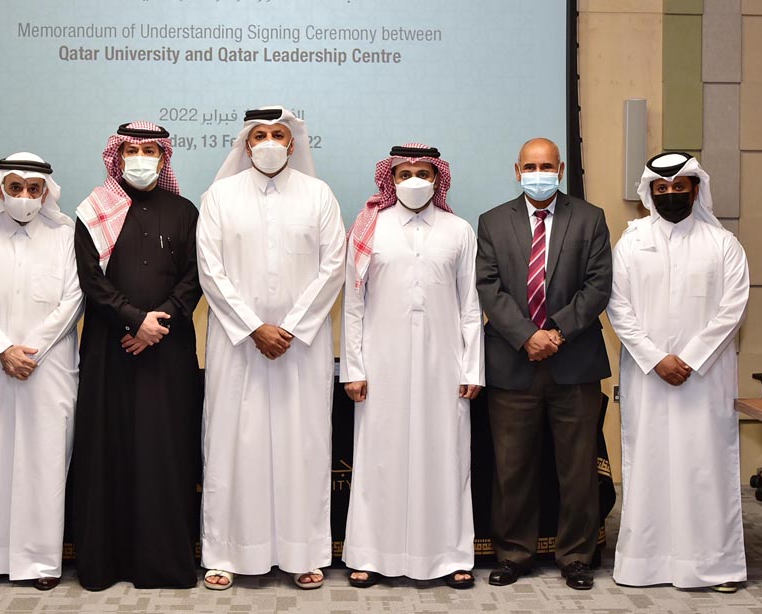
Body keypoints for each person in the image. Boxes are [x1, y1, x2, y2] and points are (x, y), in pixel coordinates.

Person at [196, 106, 346, 591]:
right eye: (258, 135)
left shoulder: (319, 195)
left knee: (303, 445)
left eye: (277, 134)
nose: (268, 142)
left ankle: (303, 553)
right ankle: (226, 553)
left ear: (293, 142)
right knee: (233, 445)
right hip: (238, 345)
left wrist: (292, 327)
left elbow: (333, 267)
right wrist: (254, 327)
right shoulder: (219, 196)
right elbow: (210, 270)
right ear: (244, 143)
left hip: (301, 347)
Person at [340, 144, 483, 588]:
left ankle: (451, 556)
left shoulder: (458, 230)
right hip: (381, 364)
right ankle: (368, 553)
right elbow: (353, 304)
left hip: (445, 364)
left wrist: (472, 369)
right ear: (391, 179)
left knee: (446, 456)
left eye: (424, 172)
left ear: (438, 179)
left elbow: (470, 305)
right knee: (378, 457)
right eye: (405, 173)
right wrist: (353, 368)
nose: (415, 180)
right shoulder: (370, 228)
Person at [607, 152, 749, 594]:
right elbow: (618, 307)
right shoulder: (631, 242)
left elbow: (733, 309)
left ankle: (715, 566)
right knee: (649, 464)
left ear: (695, 188)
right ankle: (644, 565)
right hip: (649, 377)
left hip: (705, 379)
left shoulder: (722, 243)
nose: (670, 195)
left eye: (678, 187)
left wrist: (690, 357)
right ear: (650, 192)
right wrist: (656, 358)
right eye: (661, 189)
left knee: (705, 468)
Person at [70, 121, 203, 590]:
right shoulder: (93, 210)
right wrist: (132, 319)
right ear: (117, 156)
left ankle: (163, 562)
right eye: (133, 150)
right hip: (110, 348)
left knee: (164, 451)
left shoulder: (185, 210)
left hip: (168, 352)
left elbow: (195, 277)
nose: (142, 158)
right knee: (108, 451)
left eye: (151, 150)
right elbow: (89, 279)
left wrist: (157, 323)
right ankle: (105, 563)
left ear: (164, 159)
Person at [476, 137, 611, 591]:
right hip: (512, 363)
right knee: (511, 466)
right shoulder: (493, 222)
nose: (539, 173)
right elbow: (488, 287)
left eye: (547, 165)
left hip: (574, 362)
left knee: (577, 468)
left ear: (562, 167)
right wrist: (526, 336)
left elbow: (597, 286)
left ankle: (576, 556)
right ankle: (513, 554)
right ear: (517, 171)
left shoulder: (590, 219)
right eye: (531, 166)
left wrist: (554, 333)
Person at [0, 153, 83, 592]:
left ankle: (40, 561)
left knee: (44, 462)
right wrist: (4, 349)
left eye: (33, 189)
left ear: (46, 192)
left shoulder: (65, 236)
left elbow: (73, 299)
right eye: (15, 187)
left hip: (48, 370)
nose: (24, 197)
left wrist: (32, 350)